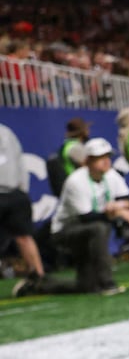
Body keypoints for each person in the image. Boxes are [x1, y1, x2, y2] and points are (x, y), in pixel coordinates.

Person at [45, 138, 129, 295]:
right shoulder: (76, 181)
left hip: (88, 228)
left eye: (108, 157)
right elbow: (87, 217)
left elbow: (128, 200)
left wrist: (120, 206)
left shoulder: (111, 175)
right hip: (65, 231)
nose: (106, 161)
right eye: (100, 158)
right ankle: (107, 283)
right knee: (100, 228)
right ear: (87, 161)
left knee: (86, 286)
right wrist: (119, 211)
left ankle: (36, 285)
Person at [2, 122, 56, 296]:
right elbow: (20, 161)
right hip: (15, 193)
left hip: (13, 194)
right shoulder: (6, 131)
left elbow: (19, 160)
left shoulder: (6, 132)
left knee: (24, 237)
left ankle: (38, 276)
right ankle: (39, 276)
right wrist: (21, 190)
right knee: (25, 237)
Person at [46, 117, 91, 196]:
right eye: (86, 129)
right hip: (77, 188)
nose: (88, 131)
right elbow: (89, 169)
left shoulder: (67, 145)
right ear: (82, 132)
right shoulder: (76, 147)